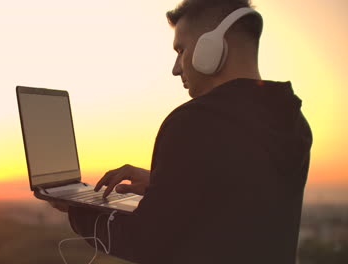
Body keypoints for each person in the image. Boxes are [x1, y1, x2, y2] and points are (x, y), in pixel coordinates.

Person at [49, 0, 313, 263]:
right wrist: (165, 183)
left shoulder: (194, 122)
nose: (176, 68)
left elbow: (143, 243)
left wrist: (76, 211)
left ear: (212, 47)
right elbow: (247, 203)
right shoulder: (291, 120)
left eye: (181, 49)